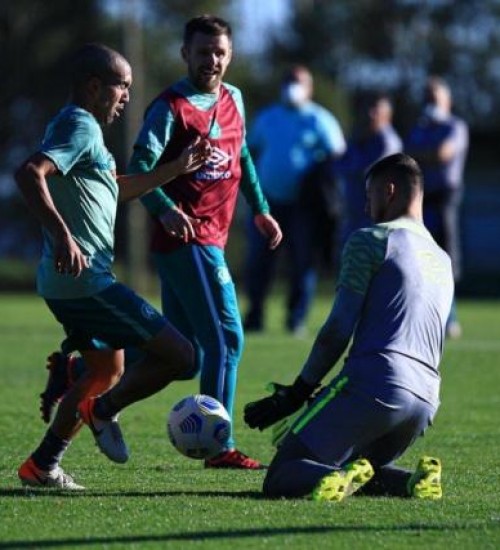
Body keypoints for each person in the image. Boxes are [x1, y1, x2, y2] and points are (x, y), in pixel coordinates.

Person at [39, 15, 282, 470]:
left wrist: (262, 208)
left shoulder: (235, 99)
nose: (212, 60)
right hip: (187, 237)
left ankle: (75, 374)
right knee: (227, 339)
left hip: (214, 236)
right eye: (203, 51)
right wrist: (165, 208)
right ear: (185, 54)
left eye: (220, 52)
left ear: (230, 56)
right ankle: (220, 445)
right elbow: (139, 164)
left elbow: (242, 154)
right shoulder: (170, 106)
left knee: (177, 349)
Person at [15, 43, 212, 490]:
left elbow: (114, 189)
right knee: (183, 356)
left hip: (74, 283)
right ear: (94, 87)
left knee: (107, 372)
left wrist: (175, 169)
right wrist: (63, 233)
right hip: (86, 283)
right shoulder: (79, 126)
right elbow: (30, 173)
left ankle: (42, 465)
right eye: (122, 86)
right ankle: (100, 410)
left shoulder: (80, 130)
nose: (127, 96)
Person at [244, 153, 454, 502]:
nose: (366, 206)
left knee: (284, 472)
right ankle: (412, 482)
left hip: (376, 383)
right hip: (425, 400)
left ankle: (337, 475)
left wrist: (298, 392)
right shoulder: (442, 260)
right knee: (360, 466)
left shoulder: (370, 240)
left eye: (369, 194)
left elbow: (337, 330)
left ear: (389, 191)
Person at [243, 65, 346, 336]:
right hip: (267, 204)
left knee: (302, 262)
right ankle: (255, 315)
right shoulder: (268, 118)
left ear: (309, 88)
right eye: (288, 80)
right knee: (258, 262)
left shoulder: (320, 120)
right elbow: (249, 151)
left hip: (304, 205)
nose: (292, 86)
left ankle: (296, 318)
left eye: (298, 82)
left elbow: (337, 156)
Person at [405, 76, 469, 339]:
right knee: (418, 257)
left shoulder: (455, 126)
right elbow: (407, 156)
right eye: (427, 98)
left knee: (445, 257)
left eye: (435, 98)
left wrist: (423, 154)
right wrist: (425, 154)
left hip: (445, 196)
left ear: (447, 101)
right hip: (420, 197)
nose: (430, 103)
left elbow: (443, 154)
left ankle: (449, 316)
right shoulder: (419, 128)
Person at [336, 92, 402, 244]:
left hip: (378, 220)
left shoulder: (389, 142)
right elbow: (337, 165)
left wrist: (350, 166)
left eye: (376, 110)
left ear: (387, 115)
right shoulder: (360, 136)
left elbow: (368, 173)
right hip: (353, 216)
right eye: (369, 109)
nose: (370, 114)